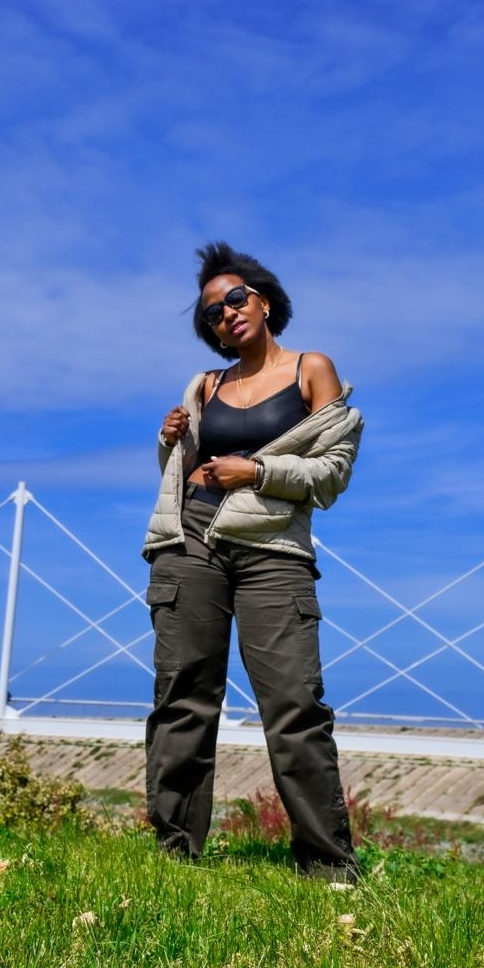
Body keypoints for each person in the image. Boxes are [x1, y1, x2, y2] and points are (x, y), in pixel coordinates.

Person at [142, 242, 364, 883]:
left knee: (294, 703)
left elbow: (332, 471)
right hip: (191, 539)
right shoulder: (204, 385)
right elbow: (181, 474)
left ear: (263, 302)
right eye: (213, 313)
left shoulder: (311, 369)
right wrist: (170, 443)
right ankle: (173, 857)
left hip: (273, 551)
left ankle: (328, 868)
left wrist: (257, 471)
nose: (227, 313)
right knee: (183, 695)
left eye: (235, 299)